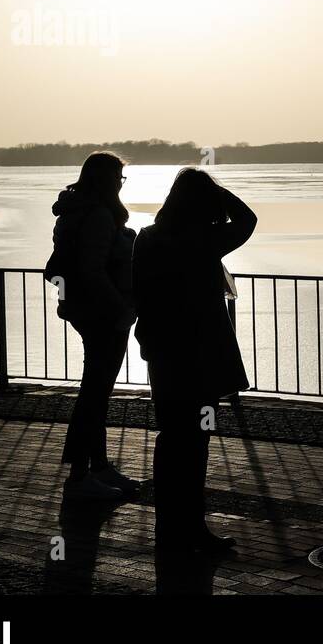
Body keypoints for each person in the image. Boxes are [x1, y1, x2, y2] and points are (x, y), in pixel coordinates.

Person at [133, 169, 256, 555]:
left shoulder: (148, 238)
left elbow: (138, 294)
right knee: (196, 441)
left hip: (163, 352)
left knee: (171, 439)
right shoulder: (204, 239)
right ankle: (192, 529)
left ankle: (168, 528)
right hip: (200, 355)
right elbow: (248, 220)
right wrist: (221, 193)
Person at [45, 151, 139, 501]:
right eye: (118, 177)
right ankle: (80, 475)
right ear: (106, 180)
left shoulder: (73, 211)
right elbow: (93, 269)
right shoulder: (99, 215)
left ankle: (97, 466)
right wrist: (122, 308)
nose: (120, 183)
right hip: (103, 313)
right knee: (94, 394)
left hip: (83, 309)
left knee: (95, 392)